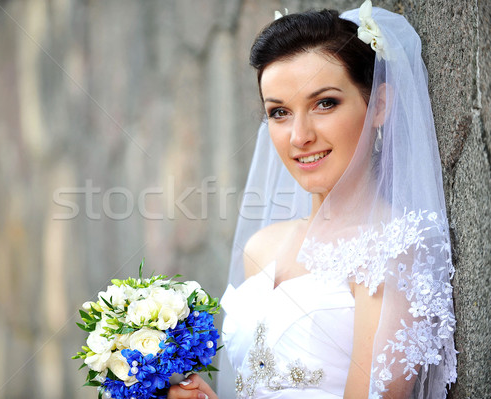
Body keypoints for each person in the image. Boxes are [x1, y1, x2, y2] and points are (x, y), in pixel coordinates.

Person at [168, 1, 457, 398]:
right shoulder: (261, 248)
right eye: (280, 112)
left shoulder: (392, 247)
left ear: (380, 106)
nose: (299, 136)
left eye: (325, 103)